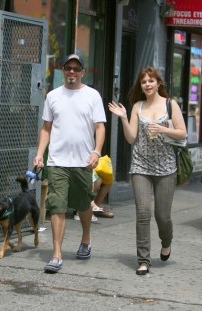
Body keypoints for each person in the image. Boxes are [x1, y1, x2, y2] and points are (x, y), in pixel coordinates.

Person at [108, 66, 186, 275]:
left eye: (151, 81)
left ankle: (166, 241)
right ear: (141, 86)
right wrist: (124, 117)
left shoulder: (170, 105)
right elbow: (131, 138)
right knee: (143, 213)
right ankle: (143, 260)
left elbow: (182, 133)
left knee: (162, 215)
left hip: (166, 167)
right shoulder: (137, 106)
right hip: (141, 165)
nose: (148, 84)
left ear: (158, 83)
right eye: (144, 82)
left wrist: (162, 129)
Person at [33, 53, 106, 273]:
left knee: (83, 205)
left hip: (83, 162)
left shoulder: (92, 95)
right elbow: (46, 128)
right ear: (63, 70)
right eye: (68, 68)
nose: (72, 72)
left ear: (82, 72)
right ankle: (56, 255)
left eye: (76, 68)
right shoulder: (53, 96)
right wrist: (39, 155)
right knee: (57, 206)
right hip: (57, 162)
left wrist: (96, 151)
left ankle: (85, 239)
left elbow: (100, 127)